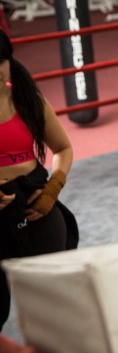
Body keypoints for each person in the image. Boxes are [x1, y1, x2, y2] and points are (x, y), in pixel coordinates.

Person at [0, 28, 77, 331]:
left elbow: (63, 148)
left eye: (0, 61)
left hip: (34, 201)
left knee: (54, 301)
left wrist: (52, 189)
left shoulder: (27, 100)